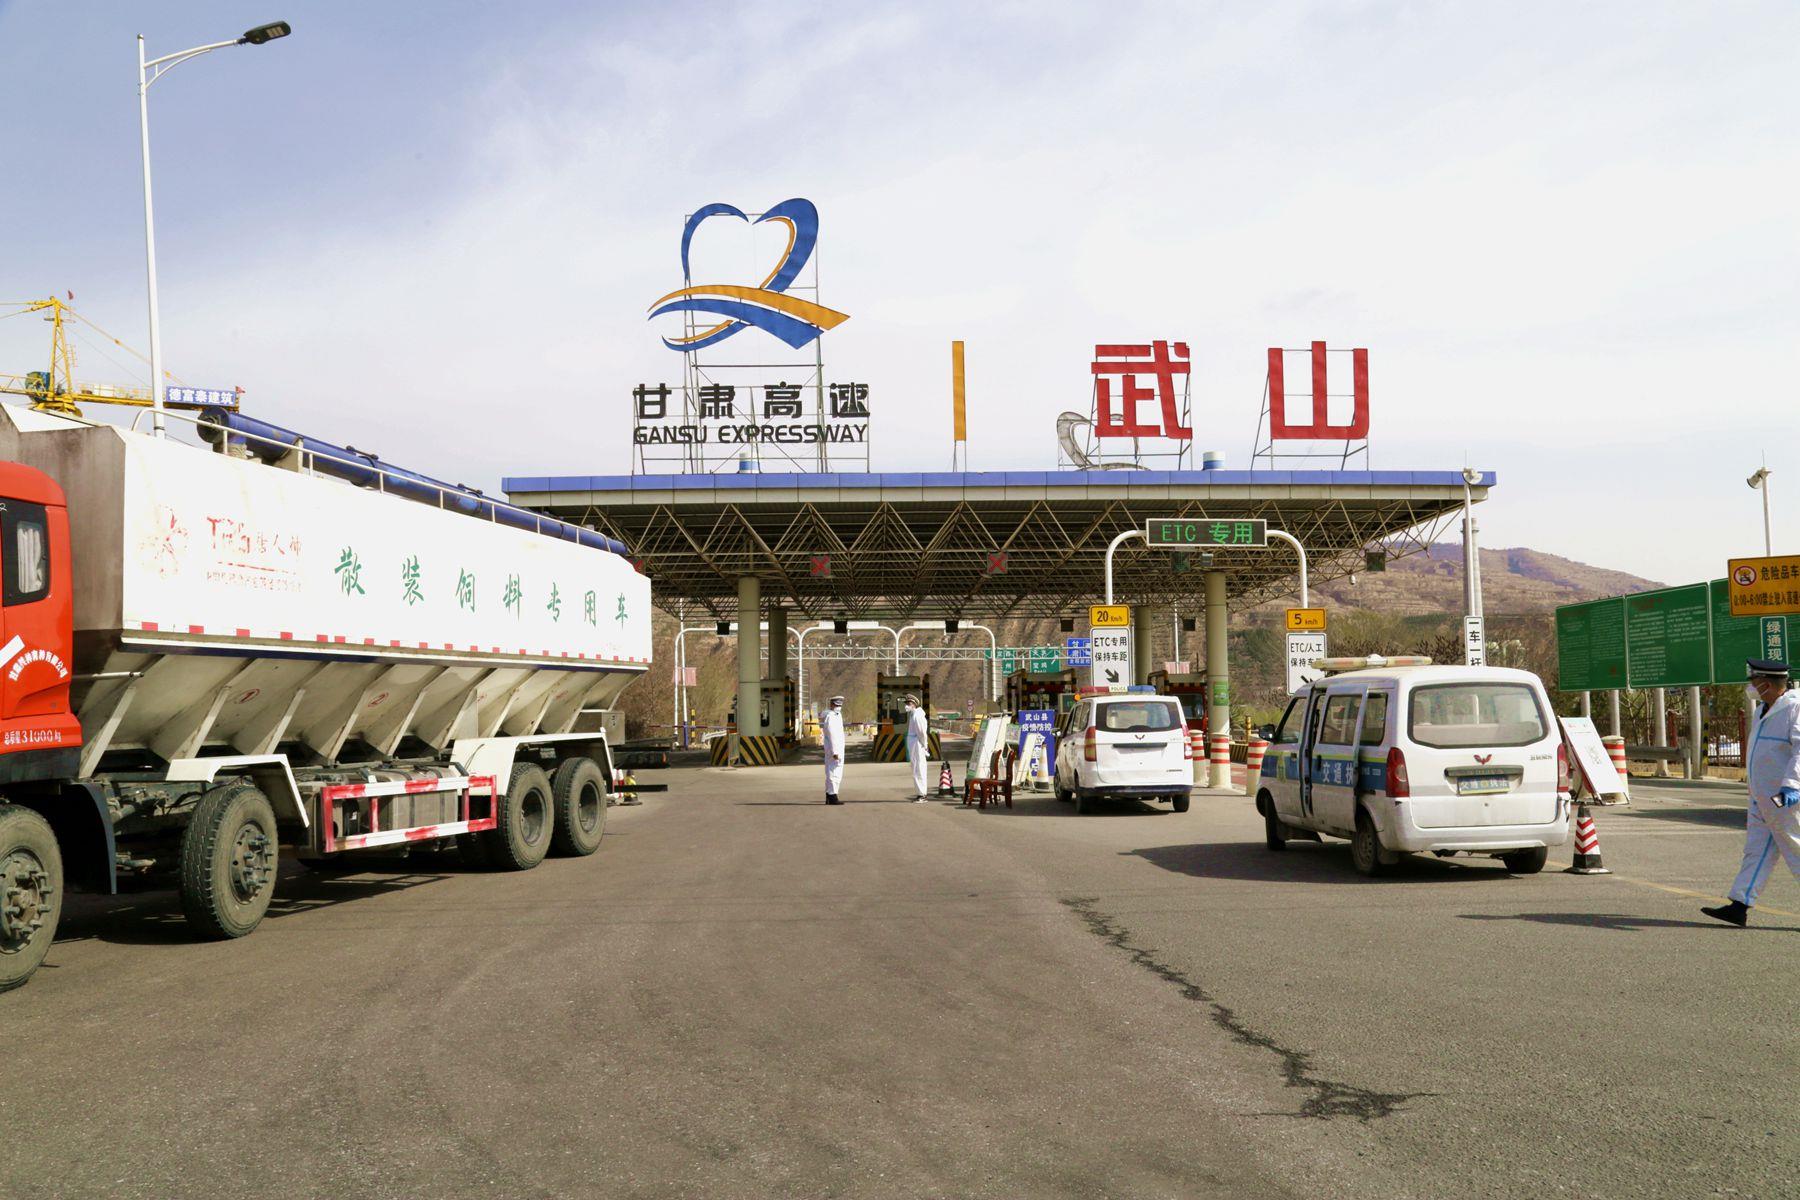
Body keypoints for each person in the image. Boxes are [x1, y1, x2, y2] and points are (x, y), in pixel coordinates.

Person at [1703, 659, 1800, 927]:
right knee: (1756, 852)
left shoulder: (1794, 708)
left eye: (1754, 682)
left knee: (1797, 850)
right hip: (1761, 798)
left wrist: (1793, 784)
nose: (1751, 687)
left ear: (1766, 684)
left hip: (1785, 799)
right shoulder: (1761, 712)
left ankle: (1740, 905)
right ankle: (1739, 905)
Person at [904, 694, 931, 801]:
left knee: (919, 769)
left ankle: (922, 794)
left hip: (917, 744)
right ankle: (920, 793)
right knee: (916, 768)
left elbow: (921, 733)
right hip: (915, 743)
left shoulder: (917, 716)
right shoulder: (913, 715)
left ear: (914, 704)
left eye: (908, 703)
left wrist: (924, 745)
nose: (906, 706)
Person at [822, 696, 846, 805]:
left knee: (836, 772)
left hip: (838, 749)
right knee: (833, 772)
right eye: (836, 705)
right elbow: (832, 735)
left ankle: (830, 795)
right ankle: (832, 796)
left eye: (840, 705)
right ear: (831, 705)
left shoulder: (838, 716)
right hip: (833, 750)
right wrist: (835, 752)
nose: (838, 707)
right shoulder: (831, 717)